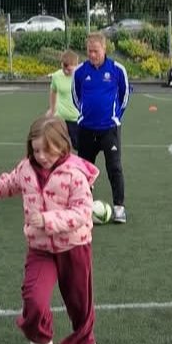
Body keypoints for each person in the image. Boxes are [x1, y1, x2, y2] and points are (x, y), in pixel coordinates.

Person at [0, 115, 101, 344]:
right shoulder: (26, 168)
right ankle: (41, 343)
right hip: (40, 249)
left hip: (74, 246)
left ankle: (85, 340)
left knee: (79, 298)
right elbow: (11, 182)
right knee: (33, 298)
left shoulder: (75, 175)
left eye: (47, 149)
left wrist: (47, 219)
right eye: (35, 150)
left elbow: (82, 213)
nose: (41, 155)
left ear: (63, 145)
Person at [73, 32, 130, 224]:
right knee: (84, 171)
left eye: (95, 51)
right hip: (86, 129)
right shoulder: (80, 71)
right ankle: (84, 206)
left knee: (114, 167)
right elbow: (76, 96)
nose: (92, 55)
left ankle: (119, 208)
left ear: (104, 49)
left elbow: (124, 95)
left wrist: (116, 117)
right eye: (89, 51)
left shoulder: (116, 69)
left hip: (109, 129)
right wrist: (84, 112)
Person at [47, 50, 81, 149]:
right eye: (63, 69)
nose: (66, 72)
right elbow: (53, 91)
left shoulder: (81, 77)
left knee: (79, 147)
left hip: (76, 119)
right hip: (60, 118)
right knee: (58, 146)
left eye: (69, 70)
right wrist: (52, 109)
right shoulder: (56, 76)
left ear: (76, 65)